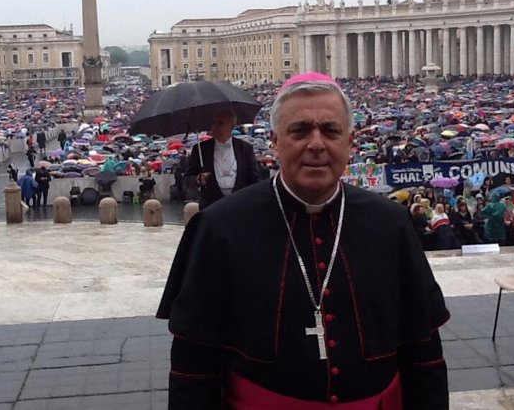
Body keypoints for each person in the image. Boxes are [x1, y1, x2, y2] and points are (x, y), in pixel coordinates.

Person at [158, 73, 449, 409]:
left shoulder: (392, 223)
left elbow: (423, 353)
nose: (316, 144)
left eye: (330, 130)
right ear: (275, 141)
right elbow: (193, 367)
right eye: (299, 131)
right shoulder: (219, 228)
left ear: (349, 141)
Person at [185, 108, 261, 209]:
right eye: (214, 123)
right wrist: (198, 179)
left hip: (240, 207)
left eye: (220, 123)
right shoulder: (201, 149)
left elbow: (255, 179)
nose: (215, 127)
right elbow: (187, 179)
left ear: (232, 126)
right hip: (211, 208)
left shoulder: (245, 148)